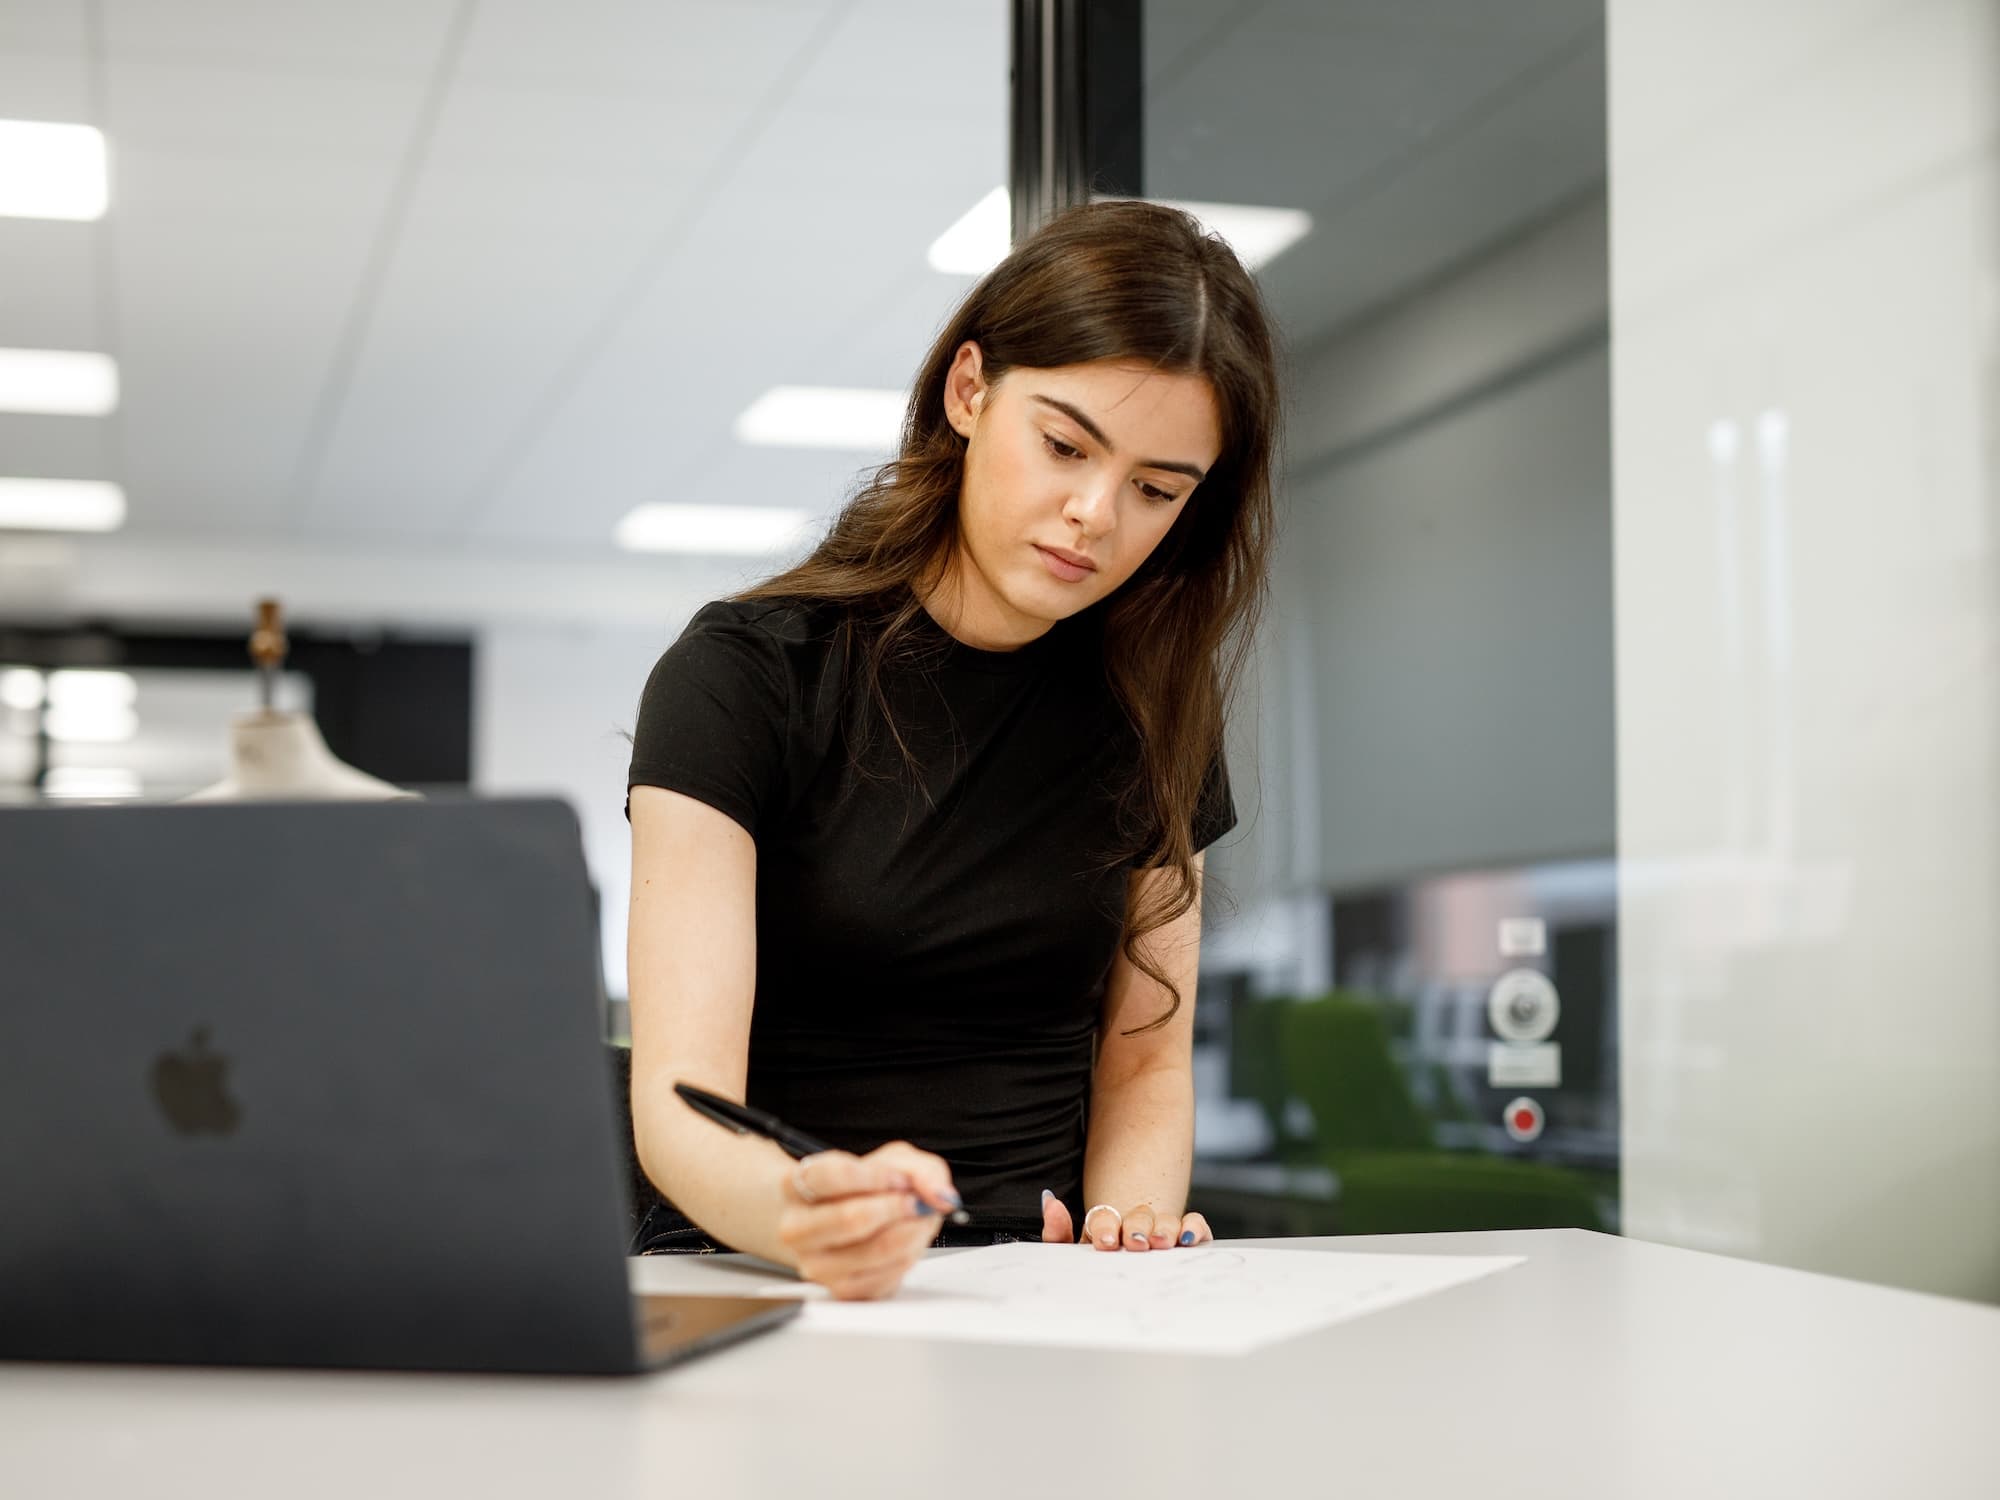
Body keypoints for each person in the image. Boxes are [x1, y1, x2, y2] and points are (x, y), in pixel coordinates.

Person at [625, 198, 1280, 1300]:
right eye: (1065, 445)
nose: (1093, 514)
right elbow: (680, 1108)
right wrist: (811, 1216)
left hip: (1038, 1289)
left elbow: (1144, 1057)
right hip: (758, 1268)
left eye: (1155, 490)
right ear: (969, 390)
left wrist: (1126, 1233)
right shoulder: (742, 677)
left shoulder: (1153, 710)